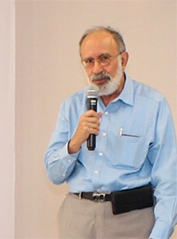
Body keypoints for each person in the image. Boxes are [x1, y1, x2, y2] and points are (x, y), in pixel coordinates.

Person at [44, 26, 177, 239]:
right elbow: (53, 174)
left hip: (133, 220)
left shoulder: (153, 105)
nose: (97, 69)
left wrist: (160, 234)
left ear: (123, 60)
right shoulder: (72, 106)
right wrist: (75, 142)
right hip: (78, 219)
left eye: (104, 58)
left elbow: (169, 180)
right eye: (89, 61)